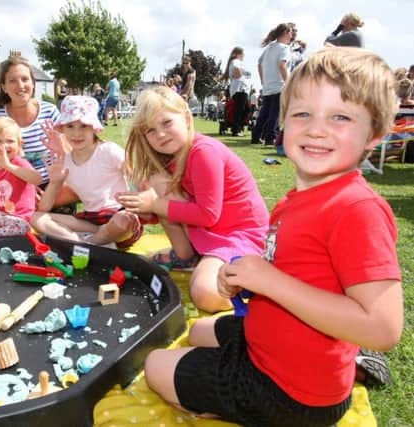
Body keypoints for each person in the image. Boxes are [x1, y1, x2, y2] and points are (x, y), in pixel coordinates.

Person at [142, 47, 403, 426]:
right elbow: (292, 269)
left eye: (341, 117)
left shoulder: (357, 209)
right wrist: (242, 277)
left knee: (154, 366)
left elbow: (382, 328)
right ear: (283, 121)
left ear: (374, 135)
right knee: (197, 329)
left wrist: (270, 281)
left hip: (291, 392)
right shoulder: (295, 201)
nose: (316, 129)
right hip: (265, 338)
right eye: (302, 114)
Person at [115, 86, 269, 313]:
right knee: (157, 178)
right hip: (211, 234)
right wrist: (143, 209)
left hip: (239, 235)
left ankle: (258, 290)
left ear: (186, 117)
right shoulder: (170, 159)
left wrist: (155, 204)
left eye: (166, 123)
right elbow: (176, 208)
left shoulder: (203, 151)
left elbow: (207, 215)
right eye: (150, 130)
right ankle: (187, 256)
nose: (160, 134)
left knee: (205, 293)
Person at [31, 96, 142, 248]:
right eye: (70, 126)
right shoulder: (66, 161)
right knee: (37, 218)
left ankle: (89, 243)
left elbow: (137, 176)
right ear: (62, 129)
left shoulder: (108, 150)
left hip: (119, 215)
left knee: (122, 222)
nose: (76, 133)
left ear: (94, 128)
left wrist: (134, 205)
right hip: (91, 221)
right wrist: (55, 181)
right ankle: (90, 240)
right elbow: (43, 208)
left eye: (83, 126)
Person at [0, 55, 77, 213]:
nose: (21, 86)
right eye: (12, 81)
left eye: (25, 79)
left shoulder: (50, 112)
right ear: (4, 87)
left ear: (33, 83)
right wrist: (28, 192)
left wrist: (51, 192)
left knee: (78, 186)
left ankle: (44, 209)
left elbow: (70, 156)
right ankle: (33, 210)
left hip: (53, 185)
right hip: (14, 184)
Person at [251, 23, 292, 146]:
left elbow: (259, 63)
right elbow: (282, 65)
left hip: (268, 85)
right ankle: (270, 137)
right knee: (275, 113)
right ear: (285, 32)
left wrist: (263, 80)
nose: (291, 35)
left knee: (264, 113)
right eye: (290, 32)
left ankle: (256, 136)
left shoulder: (269, 48)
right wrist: (289, 82)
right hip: (279, 85)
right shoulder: (284, 48)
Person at [222, 47, 251, 136]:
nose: (244, 56)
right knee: (239, 110)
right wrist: (241, 72)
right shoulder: (236, 61)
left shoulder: (235, 62)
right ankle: (236, 129)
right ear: (239, 54)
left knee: (246, 109)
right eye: (243, 54)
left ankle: (239, 126)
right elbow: (237, 71)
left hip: (241, 89)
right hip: (239, 89)